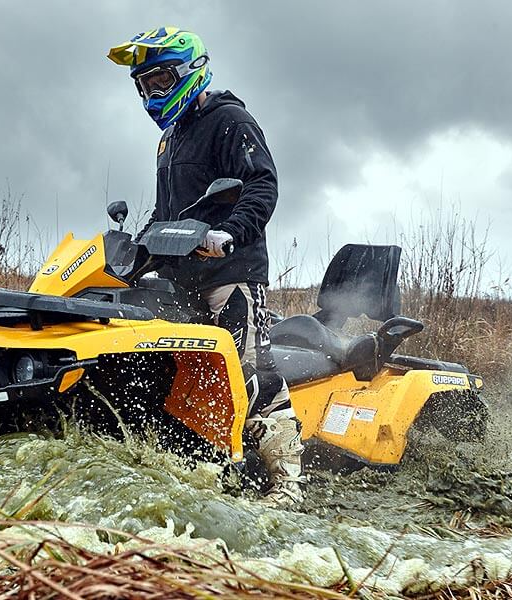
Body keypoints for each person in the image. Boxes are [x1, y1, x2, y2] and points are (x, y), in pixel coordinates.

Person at [108, 27, 305, 506]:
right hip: (178, 279)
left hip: (229, 272)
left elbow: (262, 186)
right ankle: (210, 468)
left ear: (190, 72)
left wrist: (231, 232)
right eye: (144, 87)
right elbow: (170, 211)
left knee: (252, 370)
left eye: (159, 82)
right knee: (185, 372)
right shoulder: (169, 141)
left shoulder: (230, 120)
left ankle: (288, 485)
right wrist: (138, 249)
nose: (151, 94)